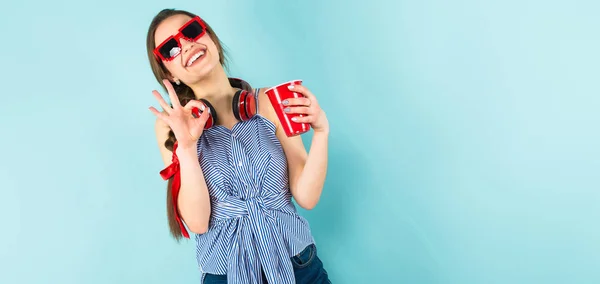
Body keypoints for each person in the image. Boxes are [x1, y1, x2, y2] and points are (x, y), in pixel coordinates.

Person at [145, 8, 332, 284]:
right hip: (226, 274)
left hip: (298, 265)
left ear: (211, 39)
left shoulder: (271, 100)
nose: (186, 45)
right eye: (170, 48)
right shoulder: (170, 126)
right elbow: (197, 222)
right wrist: (186, 147)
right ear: (169, 74)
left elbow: (306, 196)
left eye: (192, 31)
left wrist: (321, 132)